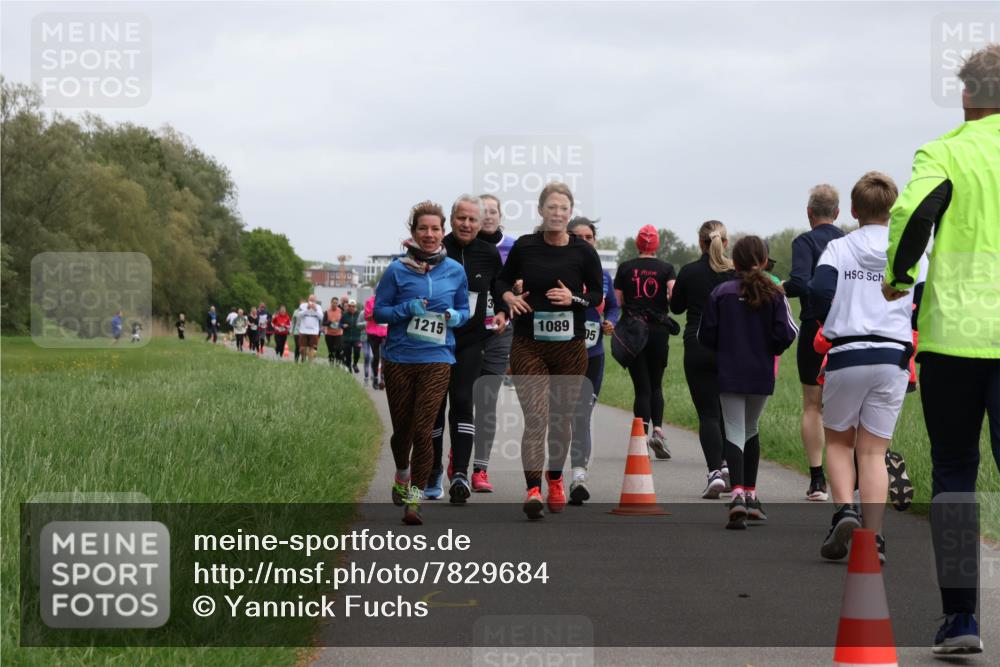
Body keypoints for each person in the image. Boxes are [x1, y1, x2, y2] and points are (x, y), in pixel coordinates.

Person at [883, 45, 999, 655]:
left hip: (955, 339)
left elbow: (914, 213)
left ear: (967, 93)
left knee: (955, 474)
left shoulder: (945, 151)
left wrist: (899, 276)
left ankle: (961, 620)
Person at [807, 172, 926, 565]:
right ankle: (873, 538)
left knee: (839, 442)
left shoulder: (839, 247)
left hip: (847, 353)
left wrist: (832, 317)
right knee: (874, 452)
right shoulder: (911, 252)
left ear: (854, 210)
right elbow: (923, 301)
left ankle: (844, 511)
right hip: (893, 357)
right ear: (893, 211)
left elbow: (819, 291)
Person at [496, 182, 603, 520]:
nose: (557, 213)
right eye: (552, 207)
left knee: (560, 420)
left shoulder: (583, 251)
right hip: (529, 344)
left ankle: (555, 478)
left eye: (563, 208)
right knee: (536, 418)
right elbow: (501, 281)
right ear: (541, 210)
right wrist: (509, 297)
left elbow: (596, 295)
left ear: (570, 213)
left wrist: (574, 298)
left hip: (569, 348)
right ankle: (532, 489)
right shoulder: (525, 246)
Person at [375, 200, 470, 525]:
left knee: (423, 430)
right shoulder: (396, 269)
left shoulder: (455, 270)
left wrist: (455, 316)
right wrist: (406, 309)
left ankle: (414, 498)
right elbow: (379, 312)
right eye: (423, 229)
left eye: (435, 229)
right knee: (402, 431)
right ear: (413, 232)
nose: (429, 234)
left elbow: (465, 311)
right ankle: (402, 473)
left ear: (443, 232)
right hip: (399, 358)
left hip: (437, 358)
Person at [698, 235, 798, 529]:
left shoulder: (721, 292)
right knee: (752, 428)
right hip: (761, 371)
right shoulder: (775, 293)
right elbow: (789, 332)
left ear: (735, 262)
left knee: (734, 430)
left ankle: (737, 496)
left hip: (729, 371)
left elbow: (705, 334)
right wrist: (770, 350)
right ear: (765, 261)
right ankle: (751, 496)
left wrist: (724, 349)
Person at [427, 195, 508, 503]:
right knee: (434, 408)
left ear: (480, 223)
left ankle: (460, 473)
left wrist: (502, 312)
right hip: (436, 341)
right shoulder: (437, 248)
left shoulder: (489, 253)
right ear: (452, 219)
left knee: (463, 402)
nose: (467, 224)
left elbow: (499, 289)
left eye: (473, 219)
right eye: (461, 218)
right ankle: (433, 471)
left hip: (471, 341)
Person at [783, 184, 845, 501]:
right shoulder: (849, 241)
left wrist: (778, 287)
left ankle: (817, 480)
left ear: (809, 213)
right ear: (837, 213)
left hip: (815, 328)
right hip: (848, 329)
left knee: (812, 405)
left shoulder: (804, 242)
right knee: (848, 407)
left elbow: (799, 282)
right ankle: (850, 477)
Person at [671, 220, 737, 498]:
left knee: (708, 413)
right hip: (730, 346)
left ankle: (714, 473)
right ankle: (729, 466)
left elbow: (676, 307)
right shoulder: (736, 272)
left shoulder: (689, 271)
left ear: (700, 243)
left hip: (697, 345)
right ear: (726, 242)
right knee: (729, 413)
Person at [565, 217, 619, 504]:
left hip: (593, 355)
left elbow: (613, 307)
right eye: (578, 237)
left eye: (589, 237)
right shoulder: (559, 270)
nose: (585, 242)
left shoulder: (604, 276)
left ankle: (578, 476)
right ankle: (551, 478)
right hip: (561, 355)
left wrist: (610, 321)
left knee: (582, 414)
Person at [613, 225, 677, 458]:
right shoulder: (667, 268)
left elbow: (617, 301)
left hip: (633, 331)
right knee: (656, 385)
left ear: (637, 244)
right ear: (657, 244)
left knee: (642, 388)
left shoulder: (625, 267)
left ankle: (641, 439)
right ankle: (658, 431)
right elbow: (673, 295)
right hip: (658, 331)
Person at [472, 193, 516, 491]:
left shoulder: (514, 247)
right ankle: (458, 455)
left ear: (500, 215)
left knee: (486, 401)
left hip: (501, 331)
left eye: (492, 211)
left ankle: (480, 469)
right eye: (482, 211)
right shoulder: (462, 246)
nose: (488, 216)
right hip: (467, 332)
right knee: (463, 400)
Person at [364, 295, 388, 390]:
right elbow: (367, 317)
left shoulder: (388, 300)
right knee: (376, 357)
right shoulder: (370, 301)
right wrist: (375, 313)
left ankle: (382, 378)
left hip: (385, 333)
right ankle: (375, 378)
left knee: (384, 356)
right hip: (373, 333)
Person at [297, 295, 323, 362]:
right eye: (310, 300)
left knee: (312, 348)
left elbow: (321, 318)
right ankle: (303, 359)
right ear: (308, 300)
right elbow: (299, 315)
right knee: (302, 348)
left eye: (313, 300)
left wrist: (315, 310)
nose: (311, 302)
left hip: (314, 331)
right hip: (303, 330)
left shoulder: (318, 307)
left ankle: (309, 363)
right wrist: (307, 309)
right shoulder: (303, 305)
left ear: (315, 301)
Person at [341, 299, 363, 372]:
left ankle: (355, 364)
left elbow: (364, 323)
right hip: (346, 338)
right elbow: (339, 324)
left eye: (353, 306)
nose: (351, 308)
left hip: (357, 337)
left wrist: (361, 326)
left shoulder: (359, 314)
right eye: (350, 306)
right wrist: (343, 325)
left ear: (355, 307)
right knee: (347, 354)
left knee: (357, 352)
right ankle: (349, 367)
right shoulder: (345, 314)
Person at [323, 297, 344, 365]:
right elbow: (323, 323)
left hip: (338, 334)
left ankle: (337, 363)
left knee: (338, 349)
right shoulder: (327, 311)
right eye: (333, 303)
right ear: (331, 303)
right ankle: (331, 363)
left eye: (336, 303)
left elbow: (343, 322)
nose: (335, 304)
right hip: (329, 334)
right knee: (331, 350)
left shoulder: (340, 311)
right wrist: (330, 322)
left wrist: (341, 325)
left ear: (337, 304)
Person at [290, 298, 305, 362]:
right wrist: (291, 331)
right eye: (301, 303)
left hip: (304, 332)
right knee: (298, 346)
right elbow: (293, 322)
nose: (302, 305)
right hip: (296, 331)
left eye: (303, 304)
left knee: (303, 347)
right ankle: (296, 360)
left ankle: (303, 360)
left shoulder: (307, 312)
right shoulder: (296, 311)